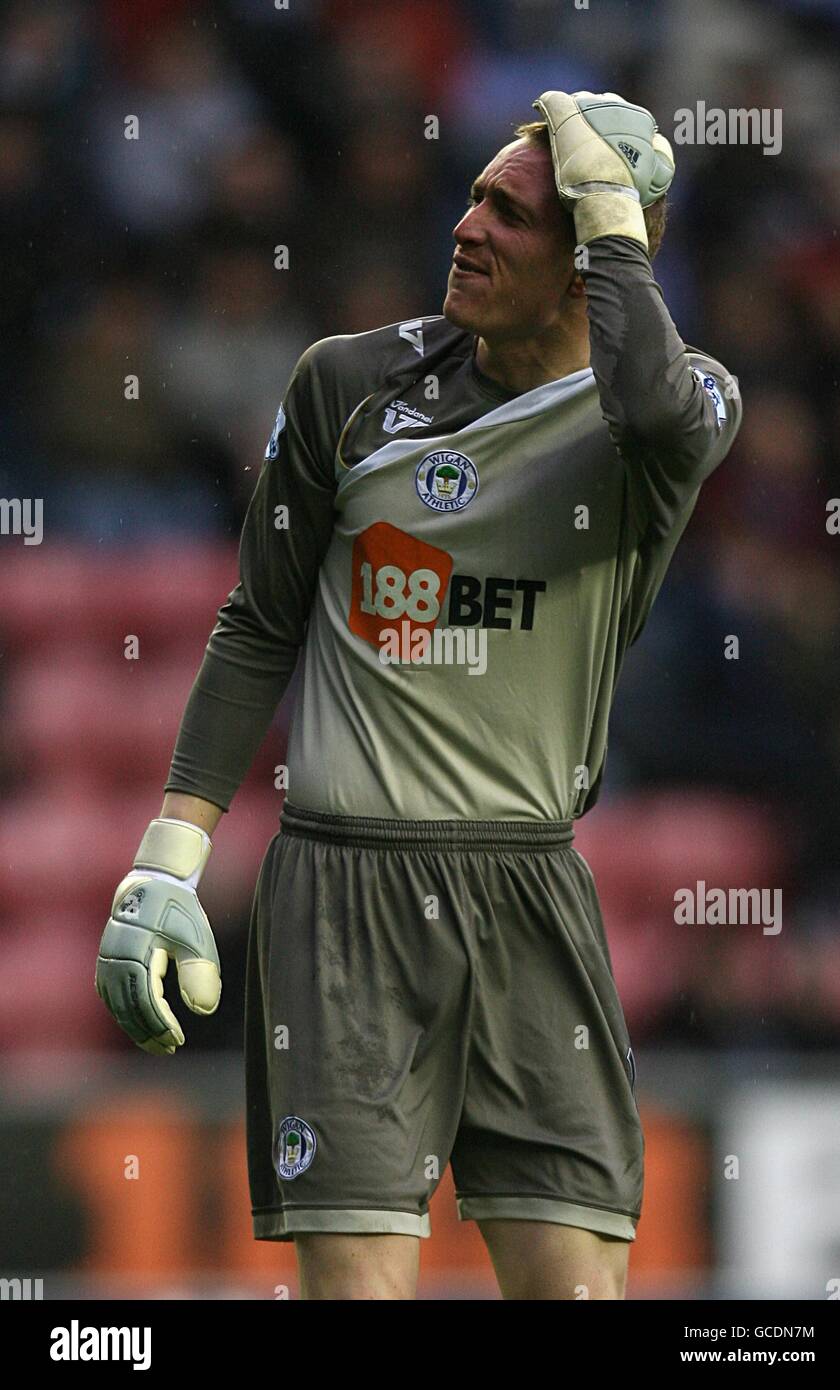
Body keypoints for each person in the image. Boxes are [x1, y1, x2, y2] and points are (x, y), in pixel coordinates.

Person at [96, 91, 741, 1300]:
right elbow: (257, 624)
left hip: (529, 889)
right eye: (473, 194)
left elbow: (655, 404)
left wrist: (613, 218)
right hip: (344, 889)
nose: (468, 227)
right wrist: (165, 859)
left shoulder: (670, 408)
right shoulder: (346, 385)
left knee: (578, 1293)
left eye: (513, 215)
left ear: (598, 258)